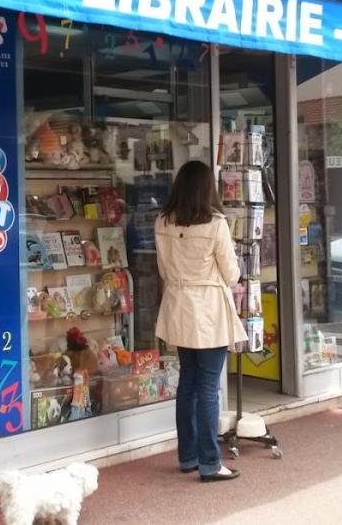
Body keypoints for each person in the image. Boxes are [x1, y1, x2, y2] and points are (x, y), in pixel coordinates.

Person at [155, 160, 247, 482]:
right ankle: (211, 463)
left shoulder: (163, 222)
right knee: (209, 387)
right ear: (208, 188)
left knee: (189, 383)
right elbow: (232, 273)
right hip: (208, 310)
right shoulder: (216, 224)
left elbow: (164, 270)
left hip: (178, 307)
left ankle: (188, 456)